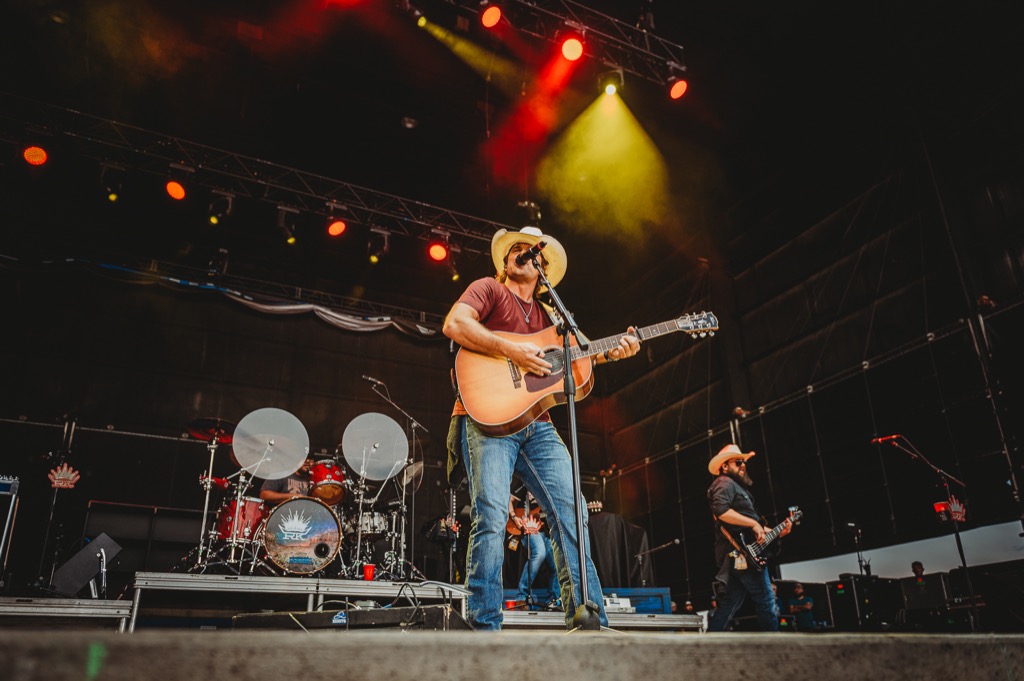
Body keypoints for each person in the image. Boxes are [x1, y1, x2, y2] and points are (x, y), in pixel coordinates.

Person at [443, 225, 641, 630]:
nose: (521, 252)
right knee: (491, 516)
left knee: (572, 512)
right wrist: (512, 350)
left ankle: (589, 622)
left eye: (530, 249)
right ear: (505, 262)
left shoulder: (553, 315)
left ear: (542, 267)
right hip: (486, 418)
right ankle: (483, 627)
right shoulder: (488, 289)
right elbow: (455, 324)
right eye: (515, 248)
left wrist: (616, 351)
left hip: (539, 424)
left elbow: (586, 354)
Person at [706, 443, 791, 632]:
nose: (743, 465)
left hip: (741, 554)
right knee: (766, 599)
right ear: (725, 466)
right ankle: (775, 644)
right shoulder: (724, 483)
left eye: (744, 462)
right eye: (738, 462)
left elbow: (755, 525)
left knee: (729, 604)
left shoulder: (738, 488)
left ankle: (709, 642)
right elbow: (721, 511)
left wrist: (778, 531)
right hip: (740, 552)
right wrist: (753, 524)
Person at [509, 492, 559, 607]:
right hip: (528, 529)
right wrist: (514, 517)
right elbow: (509, 499)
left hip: (546, 531)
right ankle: (522, 597)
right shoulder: (523, 484)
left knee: (557, 563)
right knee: (539, 553)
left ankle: (553, 600)